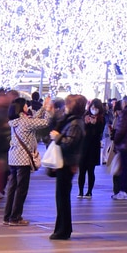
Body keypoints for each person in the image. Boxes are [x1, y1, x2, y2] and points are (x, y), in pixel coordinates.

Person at [3, 95, 48, 226]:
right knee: (21, 189)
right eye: (26, 105)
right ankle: (15, 217)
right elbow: (45, 123)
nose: (28, 107)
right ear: (23, 107)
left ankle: (7, 216)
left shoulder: (16, 121)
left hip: (13, 158)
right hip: (23, 160)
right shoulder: (26, 122)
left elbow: (34, 119)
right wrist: (49, 110)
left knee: (12, 188)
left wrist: (43, 108)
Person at [48, 96, 87, 241]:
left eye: (69, 103)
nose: (66, 105)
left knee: (63, 197)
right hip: (64, 162)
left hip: (67, 163)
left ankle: (63, 230)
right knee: (61, 197)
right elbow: (54, 126)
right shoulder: (69, 119)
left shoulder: (76, 123)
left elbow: (70, 143)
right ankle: (62, 229)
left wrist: (57, 137)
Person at [78, 98, 106, 199]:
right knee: (81, 170)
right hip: (83, 147)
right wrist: (85, 123)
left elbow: (99, 134)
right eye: (92, 107)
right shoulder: (84, 116)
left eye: (96, 108)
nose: (94, 109)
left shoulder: (101, 119)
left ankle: (89, 191)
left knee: (91, 170)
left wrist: (95, 125)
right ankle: (80, 191)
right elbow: (81, 132)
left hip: (93, 148)